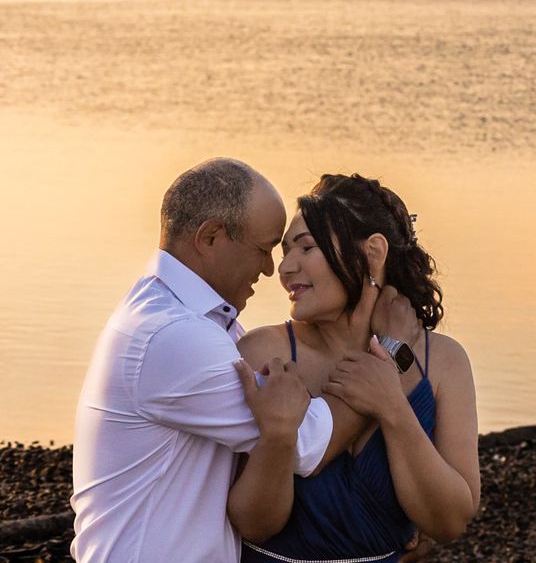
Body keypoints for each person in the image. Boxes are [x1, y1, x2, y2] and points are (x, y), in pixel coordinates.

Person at [71, 158, 415, 562]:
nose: (272, 269)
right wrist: (391, 354)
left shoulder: (195, 321)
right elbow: (309, 443)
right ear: (211, 237)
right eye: (265, 249)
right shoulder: (174, 337)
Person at [230, 173, 480, 563]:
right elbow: (254, 525)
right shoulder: (264, 352)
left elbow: (449, 522)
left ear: (373, 254)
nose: (284, 269)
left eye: (306, 248)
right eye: (284, 253)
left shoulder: (443, 362)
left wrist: (394, 410)